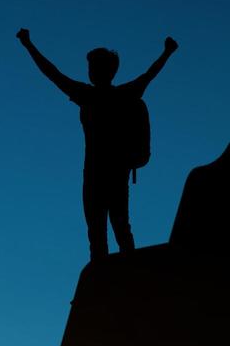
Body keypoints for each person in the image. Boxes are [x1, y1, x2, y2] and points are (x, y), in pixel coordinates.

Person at [17, 28, 178, 260]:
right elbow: (149, 74)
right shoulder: (123, 94)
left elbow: (52, 73)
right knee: (119, 229)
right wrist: (167, 53)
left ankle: (114, 280)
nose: (91, 71)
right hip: (113, 173)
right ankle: (125, 275)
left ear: (102, 71)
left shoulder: (89, 95)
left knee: (102, 233)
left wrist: (28, 45)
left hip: (98, 174)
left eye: (93, 67)